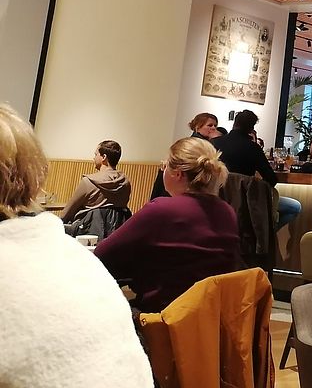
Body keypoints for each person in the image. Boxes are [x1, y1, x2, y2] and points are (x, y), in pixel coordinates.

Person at [0, 104, 157, 388]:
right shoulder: (86, 265)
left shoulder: (88, 181)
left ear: (102, 157)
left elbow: (70, 211)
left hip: (86, 228)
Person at [95, 137, 241, 313]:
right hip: (210, 319)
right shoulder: (227, 212)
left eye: (165, 165)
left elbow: (101, 256)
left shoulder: (162, 209)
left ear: (178, 173)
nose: (162, 170)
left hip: (164, 320)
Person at [213, 110, 300, 230]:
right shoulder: (253, 148)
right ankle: (265, 235)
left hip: (217, 198)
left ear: (235, 123)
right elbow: (271, 179)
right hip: (245, 203)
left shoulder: (214, 143)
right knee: (294, 207)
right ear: (251, 128)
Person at [150, 112, 220, 200]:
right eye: (209, 125)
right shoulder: (196, 145)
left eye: (215, 126)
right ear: (198, 127)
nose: (213, 128)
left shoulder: (193, 143)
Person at [60, 139, 132, 223]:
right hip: (118, 230)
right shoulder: (125, 184)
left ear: (104, 157)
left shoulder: (88, 182)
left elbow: (66, 214)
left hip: (88, 229)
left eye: (96, 154)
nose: (93, 158)